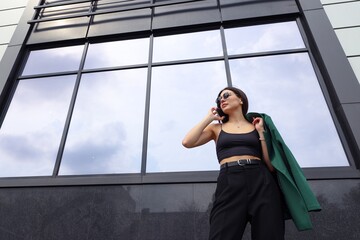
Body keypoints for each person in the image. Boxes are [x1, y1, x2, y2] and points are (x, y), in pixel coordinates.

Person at [182, 86, 285, 240]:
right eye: (219, 99)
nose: (221, 99)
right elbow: (187, 142)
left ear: (240, 99)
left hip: (261, 181)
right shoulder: (216, 128)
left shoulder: (256, 125)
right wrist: (208, 118)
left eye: (226, 95)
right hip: (230, 181)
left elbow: (270, 165)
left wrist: (261, 133)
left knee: (270, 235)